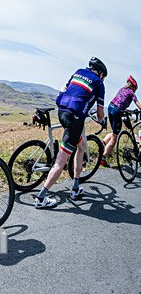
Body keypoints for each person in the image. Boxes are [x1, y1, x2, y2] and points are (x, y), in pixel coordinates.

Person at [35, 58, 107, 208]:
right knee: (61, 161)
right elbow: (100, 113)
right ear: (100, 73)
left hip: (62, 111)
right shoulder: (99, 83)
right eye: (104, 77)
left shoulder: (79, 72)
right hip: (75, 118)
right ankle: (41, 198)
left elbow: (64, 89)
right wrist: (102, 121)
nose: (103, 79)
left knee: (81, 147)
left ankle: (75, 187)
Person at [102, 75, 140, 164]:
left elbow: (120, 102)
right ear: (134, 87)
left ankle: (102, 143)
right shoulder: (131, 93)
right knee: (115, 138)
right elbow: (138, 105)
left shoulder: (122, 89)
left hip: (110, 107)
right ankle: (103, 158)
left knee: (114, 132)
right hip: (117, 111)